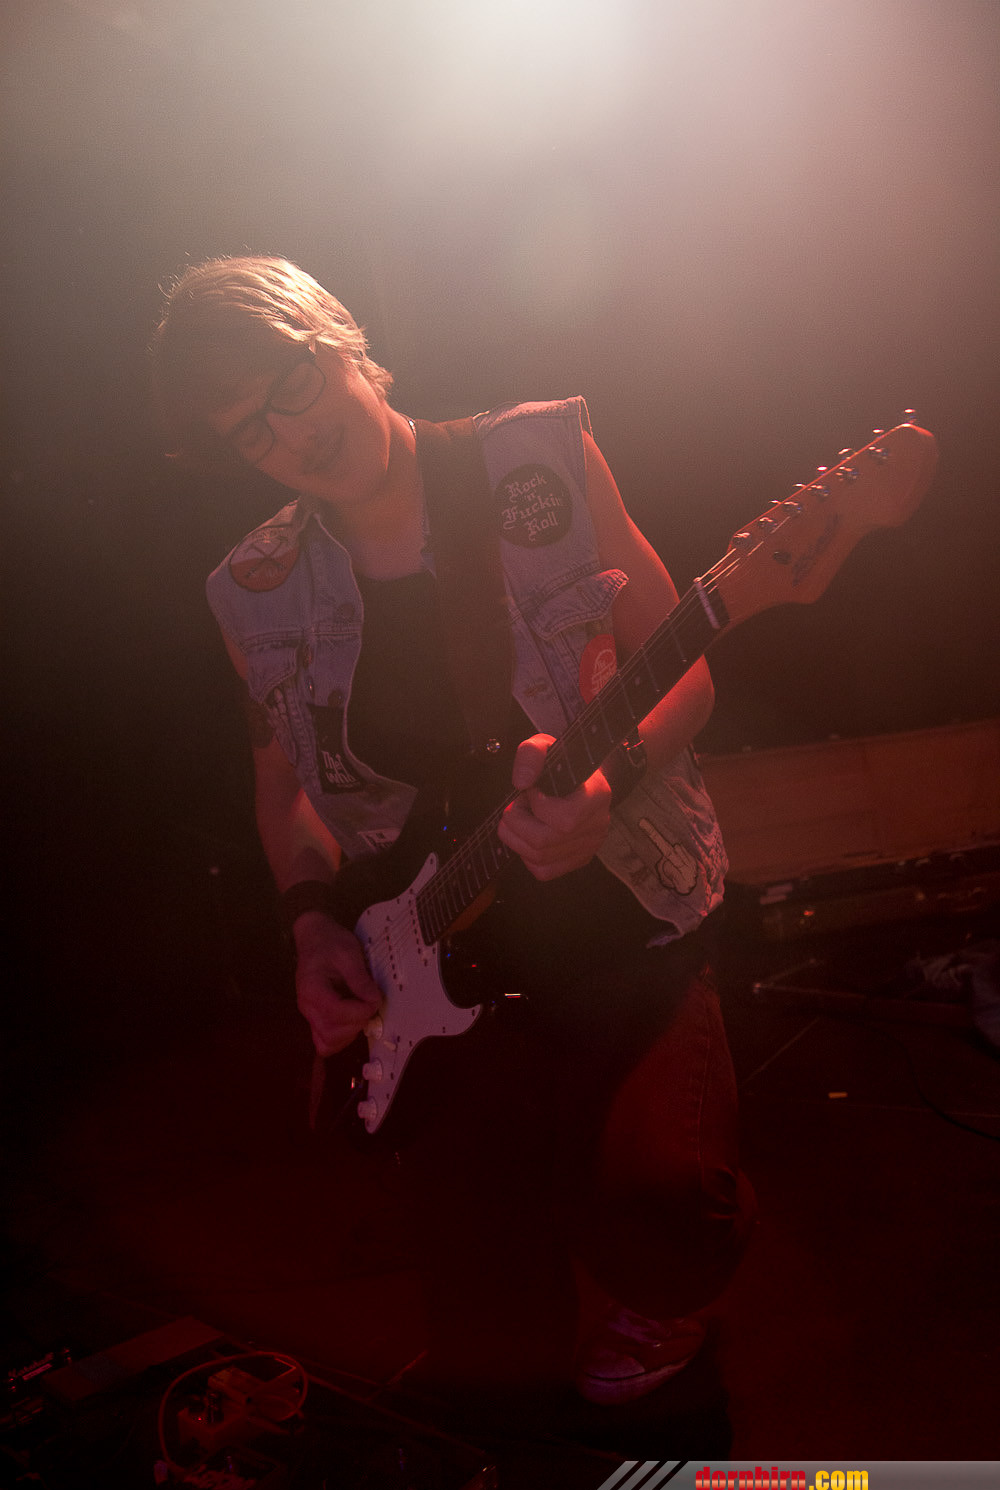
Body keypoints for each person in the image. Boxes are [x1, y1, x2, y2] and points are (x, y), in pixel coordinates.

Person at [151, 255, 754, 1411]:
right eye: (247, 432)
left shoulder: (536, 459)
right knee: (486, 1332)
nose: (289, 437)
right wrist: (310, 925)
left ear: (339, 336)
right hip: (433, 949)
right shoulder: (254, 590)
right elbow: (280, 789)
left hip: (624, 918)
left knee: (662, 1219)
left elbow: (687, 668)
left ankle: (661, 1291)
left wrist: (606, 781)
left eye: (289, 387)